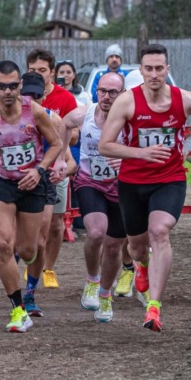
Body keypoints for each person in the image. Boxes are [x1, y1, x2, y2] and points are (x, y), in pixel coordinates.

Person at [99, 43, 191, 332]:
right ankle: (139, 265)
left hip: (170, 178)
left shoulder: (185, 99)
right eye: (148, 68)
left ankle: (154, 306)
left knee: (160, 232)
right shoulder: (127, 102)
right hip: (132, 182)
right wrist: (141, 153)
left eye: (159, 68)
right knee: (137, 248)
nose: (154, 74)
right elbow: (105, 145)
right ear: (141, 71)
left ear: (167, 69)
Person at [0, 62, 64, 333]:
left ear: (20, 86)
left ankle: (28, 284)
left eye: (13, 86)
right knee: (3, 244)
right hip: (0, 181)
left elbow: (56, 144)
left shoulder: (35, 112)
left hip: (31, 182)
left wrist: (39, 170)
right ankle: (17, 309)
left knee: (29, 250)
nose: (7, 91)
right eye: (2, 86)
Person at [62, 71, 128, 322]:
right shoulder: (85, 114)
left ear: (122, 94)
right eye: (103, 91)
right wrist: (63, 157)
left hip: (122, 187)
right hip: (90, 182)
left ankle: (105, 295)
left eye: (113, 92)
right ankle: (92, 279)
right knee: (97, 232)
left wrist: (126, 159)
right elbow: (64, 124)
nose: (107, 97)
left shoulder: (129, 120)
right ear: (96, 91)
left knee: (113, 247)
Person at [26, 47, 78, 291]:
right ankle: (32, 260)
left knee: (56, 223)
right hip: (29, 168)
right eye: (33, 70)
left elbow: (75, 134)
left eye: (42, 70)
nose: (38, 73)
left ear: (52, 72)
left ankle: (48, 268)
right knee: (31, 224)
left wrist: (60, 131)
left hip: (57, 166)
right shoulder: (20, 94)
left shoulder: (64, 98)